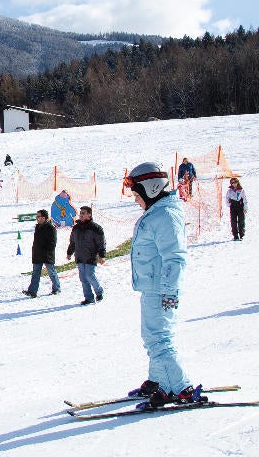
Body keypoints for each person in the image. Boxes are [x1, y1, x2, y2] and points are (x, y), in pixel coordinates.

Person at [124, 162, 200, 408]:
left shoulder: (165, 216)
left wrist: (170, 291)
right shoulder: (158, 213)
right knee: (152, 337)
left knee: (159, 339)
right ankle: (159, 381)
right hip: (153, 287)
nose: (135, 200)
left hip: (161, 289)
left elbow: (175, 257)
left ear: (152, 189)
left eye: (137, 195)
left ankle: (180, 388)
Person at [66, 205, 106, 305]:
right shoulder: (76, 228)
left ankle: (99, 291)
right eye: (81, 213)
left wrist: (102, 255)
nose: (81, 215)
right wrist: (69, 252)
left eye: (83, 213)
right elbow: (72, 242)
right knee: (83, 278)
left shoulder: (95, 228)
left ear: (89, 215)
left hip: (90, 256)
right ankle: (89, 298)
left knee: (89, 275)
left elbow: (101, 243)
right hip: (79, 256)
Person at [23, 209, 60, 297]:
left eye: (38, 216)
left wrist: (46, 251)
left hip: (47, 255)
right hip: (37, 254)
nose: (37, 218)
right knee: (35, 273)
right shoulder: (37, 227)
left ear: (44, 218)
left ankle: (56, 288)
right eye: (37, 216)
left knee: (51, 272)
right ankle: (32, 291)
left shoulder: (51, 228)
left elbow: (52, 243)